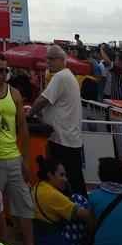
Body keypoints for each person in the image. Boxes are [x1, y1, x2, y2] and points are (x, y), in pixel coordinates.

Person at [0, 52, 37, 245]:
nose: (3, 74)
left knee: (25, 209)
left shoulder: (14, 94)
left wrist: (25, 160)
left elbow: (22, 128)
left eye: (6, 70)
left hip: (13, 157)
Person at [30, 44, 85, 195]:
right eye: (47, 59)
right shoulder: (66, 76)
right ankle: (80, 210)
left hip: (63, 139)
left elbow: (42, 100)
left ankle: (77, 213)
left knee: (66, 182)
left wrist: (29, 114)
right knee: (73, 180)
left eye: (52, 59)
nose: (48, 62)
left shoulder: (60, 77)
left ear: (62, 60)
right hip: (68, 138)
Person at [30, 154, 93, 245]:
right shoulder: (52, 195)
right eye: (62, 175)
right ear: (50, 175)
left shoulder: (38, 186)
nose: (65, 179)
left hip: (39, 238)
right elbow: (86, 215)